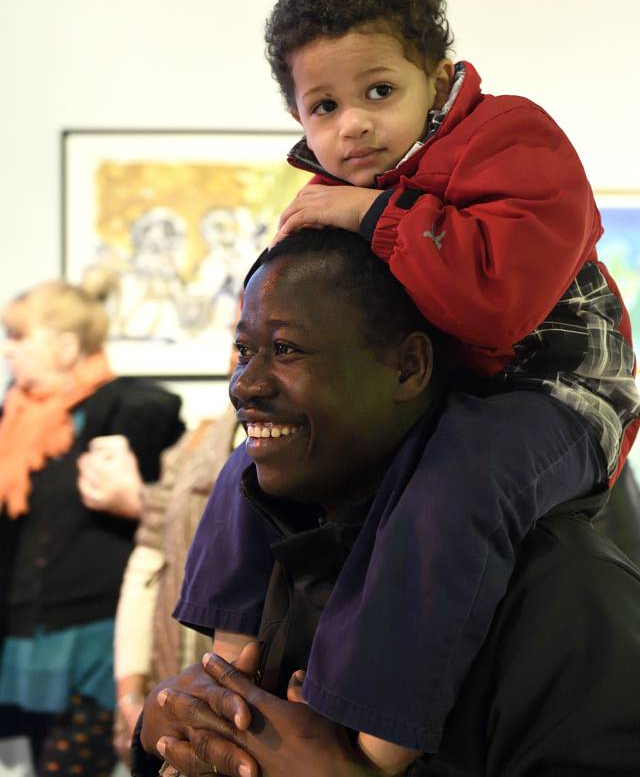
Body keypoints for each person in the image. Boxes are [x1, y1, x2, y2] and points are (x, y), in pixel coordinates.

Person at [169, 0, 640, 762]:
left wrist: (371, 214)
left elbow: (495, 307)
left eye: (378, 91)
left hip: (557, 386)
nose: (351, 124)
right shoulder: (337, 190)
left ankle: (376, 735)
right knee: (250, 463)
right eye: (323, 105)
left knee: (459, 484)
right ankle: (227, 660)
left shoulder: (511, 140)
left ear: (440, 77)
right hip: (457, 387)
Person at [132, 228, 640, 776]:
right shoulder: (284, 542)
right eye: (244, 350)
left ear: (408, 367)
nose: (245, 385)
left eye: (285, 350)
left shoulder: (566, 587)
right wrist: (160, 736)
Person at [0, 278, 185, 777]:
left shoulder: (121, 409)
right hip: (26, 628)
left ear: (65, 347)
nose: (7, 350)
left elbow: (157, 412)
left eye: (19, 338)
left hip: (90, 632)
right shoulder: (15, 416)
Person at [113, 406, 241, 764]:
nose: (241, 360)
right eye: (240, 348)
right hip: (170, 683)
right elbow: (148, 564)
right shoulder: (197, 441)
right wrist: (130, 696)